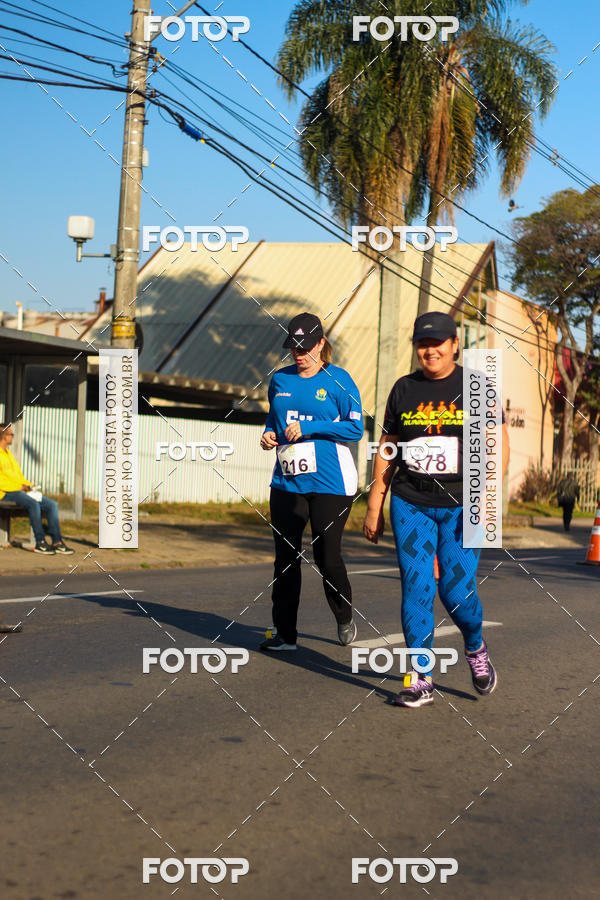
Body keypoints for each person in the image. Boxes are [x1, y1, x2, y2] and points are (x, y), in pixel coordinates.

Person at [363, 312, 510, 708]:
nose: (430, 350)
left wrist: (487, 496)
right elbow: (388, 447)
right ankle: (420, 677)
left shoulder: (476, 385)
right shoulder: (404, 389)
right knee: (417, 587)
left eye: (438, 343)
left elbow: (497, 445)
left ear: (454, 343)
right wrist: (375, 502)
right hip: (411, 500)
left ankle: (475, 647)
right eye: (423, 344)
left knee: (457, 592)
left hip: (463, 502)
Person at [259, 312, 363, 651]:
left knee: (326, 556)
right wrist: (268, 436)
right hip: (288, 482)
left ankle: (344, 614)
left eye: (306, 347)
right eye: (293, 347)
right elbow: (272, 421)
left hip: (331, 483)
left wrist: (312, 428)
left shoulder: (340, 380)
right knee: (285, 558)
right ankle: (285, 633)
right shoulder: (280, 380)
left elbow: (355, 428)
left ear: (321, 343)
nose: (299, 354)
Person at [0, 422, 74, 555]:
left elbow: (18, 476)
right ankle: (40, 542)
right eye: (11, 434)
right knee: (33, 504)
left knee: (51, 504)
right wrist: (20, 487)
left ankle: (57, 542)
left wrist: (28, 486)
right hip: (5, 493)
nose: (12, 436)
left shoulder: (8, 454)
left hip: (18, 490)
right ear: (4, 436)